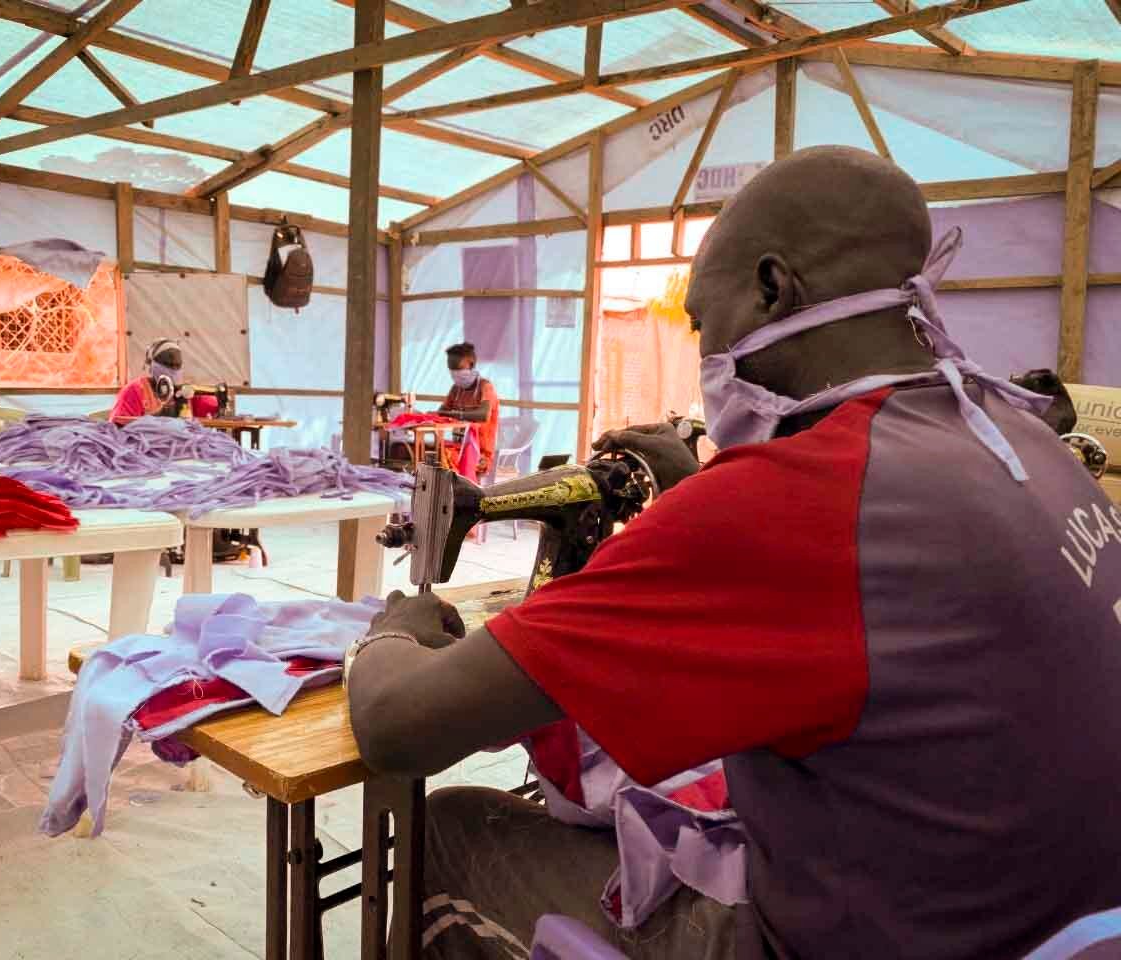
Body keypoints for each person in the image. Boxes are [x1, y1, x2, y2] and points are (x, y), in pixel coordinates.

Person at [343, 146, 1121, 959]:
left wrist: (392, 632)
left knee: (456, 829)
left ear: (771, 288)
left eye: (704, 325)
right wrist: (691, 505)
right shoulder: (1024, 440)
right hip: (1045, 927)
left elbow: (401, 728)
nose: (705, 354)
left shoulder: (789, 502)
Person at [438, 341, 500, 477]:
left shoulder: (485, 387)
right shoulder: (456, 390)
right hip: (458, 447)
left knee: (441, 459)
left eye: (458, 368)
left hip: (480, 453)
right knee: (429, 453)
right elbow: (441, 413)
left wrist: (455, 414)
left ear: (471, 365)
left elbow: (483, 415)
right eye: (451, 369)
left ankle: (452, 494)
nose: (454, 373)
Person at [110, 338, 185, 424]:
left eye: (177, 365)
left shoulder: (181, 393)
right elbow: (117, 425)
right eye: (168, 364)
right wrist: (157, 417)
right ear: (152, 364)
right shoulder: (134, 391)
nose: (173, 370)